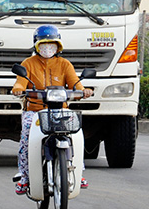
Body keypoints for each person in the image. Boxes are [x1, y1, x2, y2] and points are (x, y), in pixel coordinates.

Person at [11, 25, 93, 195]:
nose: (48, 48)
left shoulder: (64, 64)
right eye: (44, 44)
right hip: (35, 111)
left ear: (58, 46)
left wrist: (83, 90)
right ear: (36, 45)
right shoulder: (28, 63)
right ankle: (25, 177)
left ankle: (78, 171)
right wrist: (18, 89)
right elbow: (20, 82)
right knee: (26, 137)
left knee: (76, 135)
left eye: (52, 44)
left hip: (61, 110)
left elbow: (75, 83)